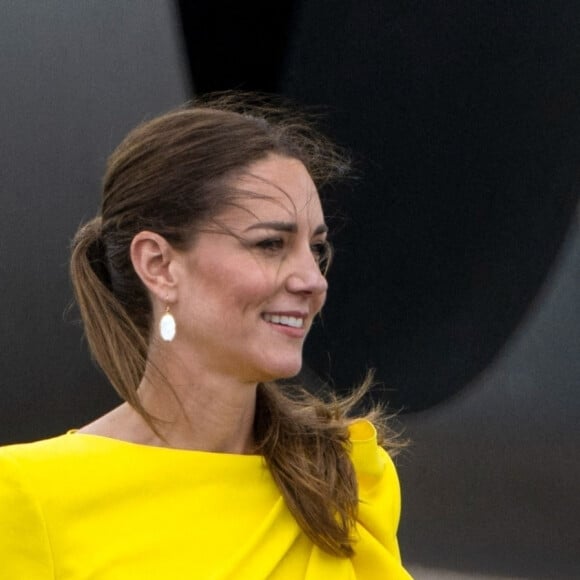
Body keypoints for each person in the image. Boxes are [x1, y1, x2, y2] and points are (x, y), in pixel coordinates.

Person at [0, 93, 412, 578]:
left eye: (316, 248)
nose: (313, 279)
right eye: (271, 244)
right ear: (159, 265)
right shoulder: (27, 493)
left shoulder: (350, 478)